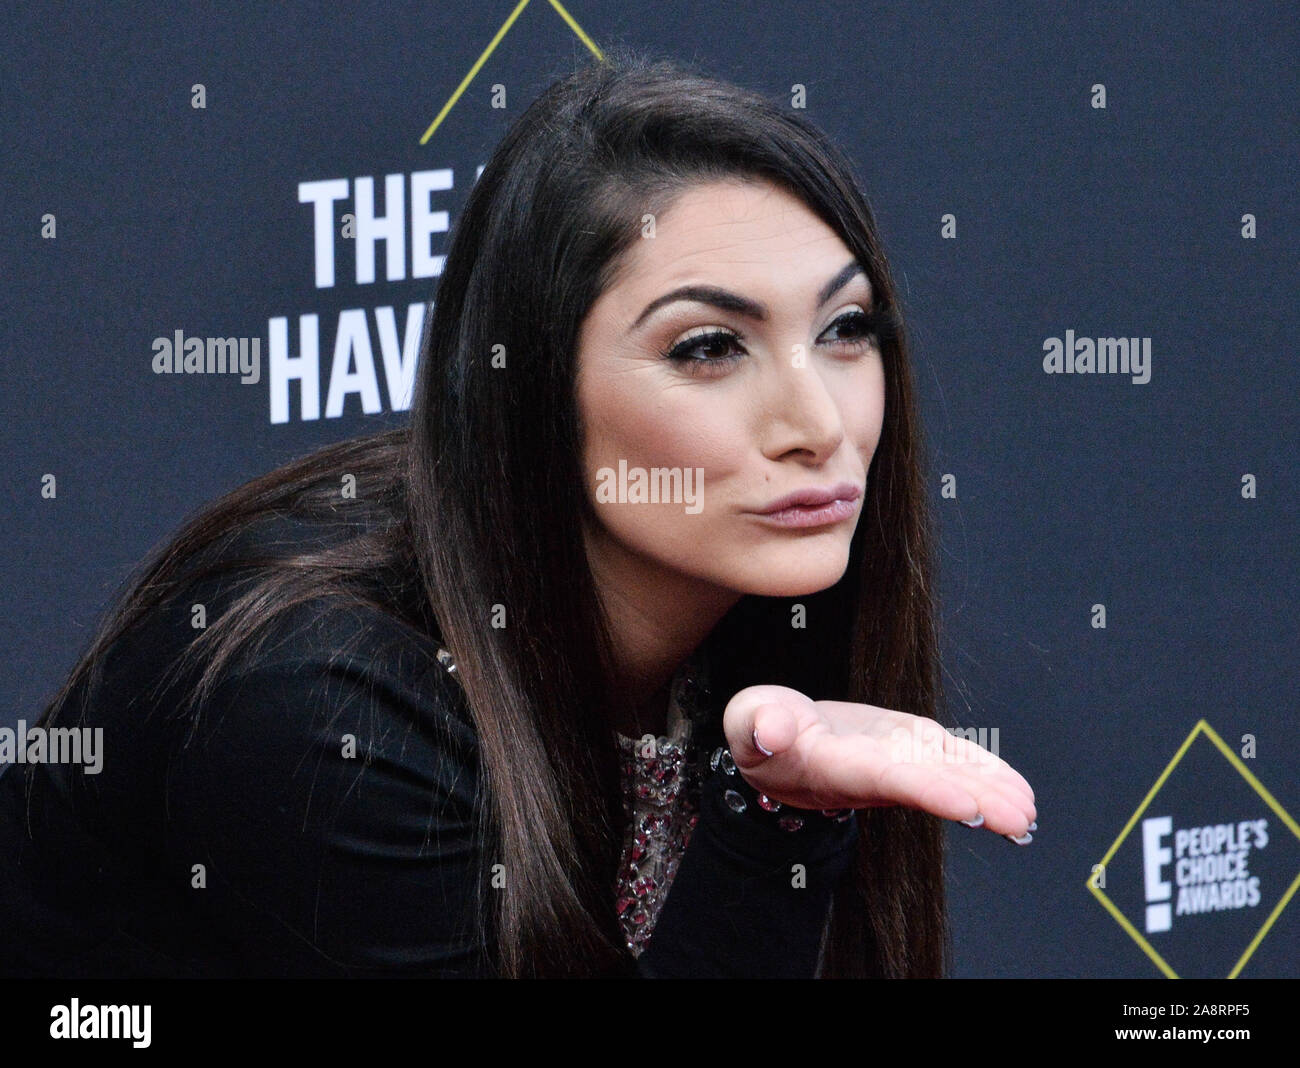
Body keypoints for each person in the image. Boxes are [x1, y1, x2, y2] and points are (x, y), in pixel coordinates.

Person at [0, 49, 1035, 979]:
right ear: (531, 391)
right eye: (709, 347)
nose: (820, 422)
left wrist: (781, 806)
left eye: (846, 328)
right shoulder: (316, 704)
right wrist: (771, 833)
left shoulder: (771, 621)